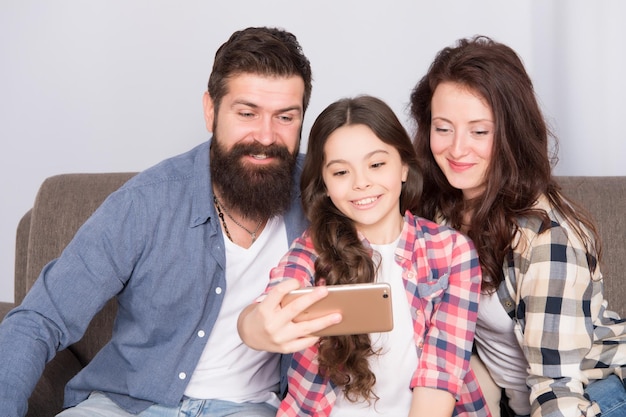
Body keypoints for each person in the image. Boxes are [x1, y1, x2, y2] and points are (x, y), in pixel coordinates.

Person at [0, 26, 314, 417]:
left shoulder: (323, 194)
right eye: (247, 113)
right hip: (125, 404)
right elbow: (40, 318)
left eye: (285, 117)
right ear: (211, 111)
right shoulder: (144, 203)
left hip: (248, 407)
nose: (266, 136)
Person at [409, 35, 626, 417]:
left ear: (511, 133)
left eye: (480, 131)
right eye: (443, 128)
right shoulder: (438, 211)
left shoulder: (548, 239)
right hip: (518, 399)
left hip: (595, 394)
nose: (457, 149)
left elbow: (557, 385)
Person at [238, 95, 490, 417]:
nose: (361, 183)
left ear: (403, 167)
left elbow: (440, 376)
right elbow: (268, 303)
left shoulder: (451, 251)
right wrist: (256, 325)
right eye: (341, 172)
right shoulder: (311, 250)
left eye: (376, 164)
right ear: (325, 184)